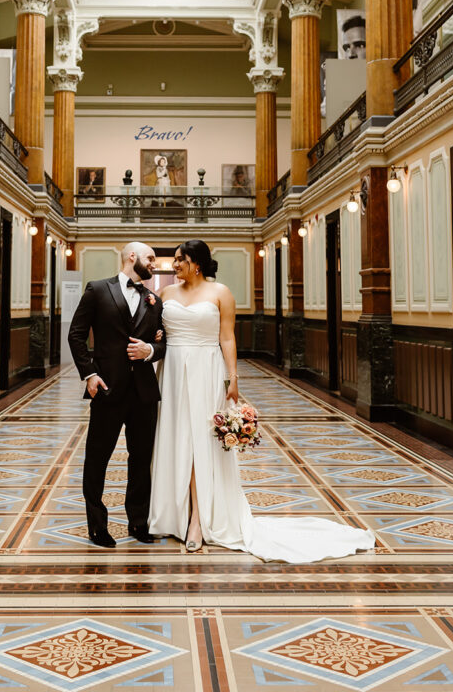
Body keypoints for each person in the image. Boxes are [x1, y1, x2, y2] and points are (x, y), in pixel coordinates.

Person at [148, 239, 375, 563]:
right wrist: (156, 338)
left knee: (202, 442)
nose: (175, 266)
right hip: (171, 372)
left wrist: (232, 379)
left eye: (181, 260)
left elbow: (227, 337)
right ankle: (173, 513)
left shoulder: (220, 293)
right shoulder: (166, 294)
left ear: (197, 263)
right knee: (174, 439)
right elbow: (157, 330)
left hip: (206, 371)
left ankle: (198, 518)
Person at [68, 242, 166, 548]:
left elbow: (164, 343)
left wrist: (150, 350)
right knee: (97, 459)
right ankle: (97, 526)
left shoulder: (155, 300)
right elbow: (76, 334)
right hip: (107, 389)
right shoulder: (97, 290)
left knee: (141, 460)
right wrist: (90, 374)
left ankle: (138, 522)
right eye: (151, 258)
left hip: (144, 393)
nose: (154, 264)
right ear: (132, 257)